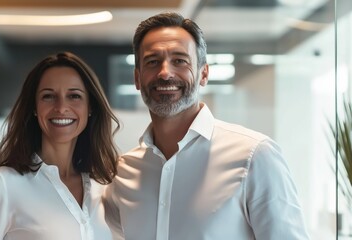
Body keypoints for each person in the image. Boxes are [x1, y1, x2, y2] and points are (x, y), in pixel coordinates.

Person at [103, 12, 310, 239]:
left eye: (180, 61)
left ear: (204, 73)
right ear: (137, 78)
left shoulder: (254, 157)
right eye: (152, 62)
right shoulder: (123, 172)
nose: (165, 73)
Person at [0, 52, 120, 240]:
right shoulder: (0, 184)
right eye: (48, 96)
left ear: (91, 107)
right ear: (34, 108)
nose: (61, 107)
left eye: (74, 96)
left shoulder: (105, 186)